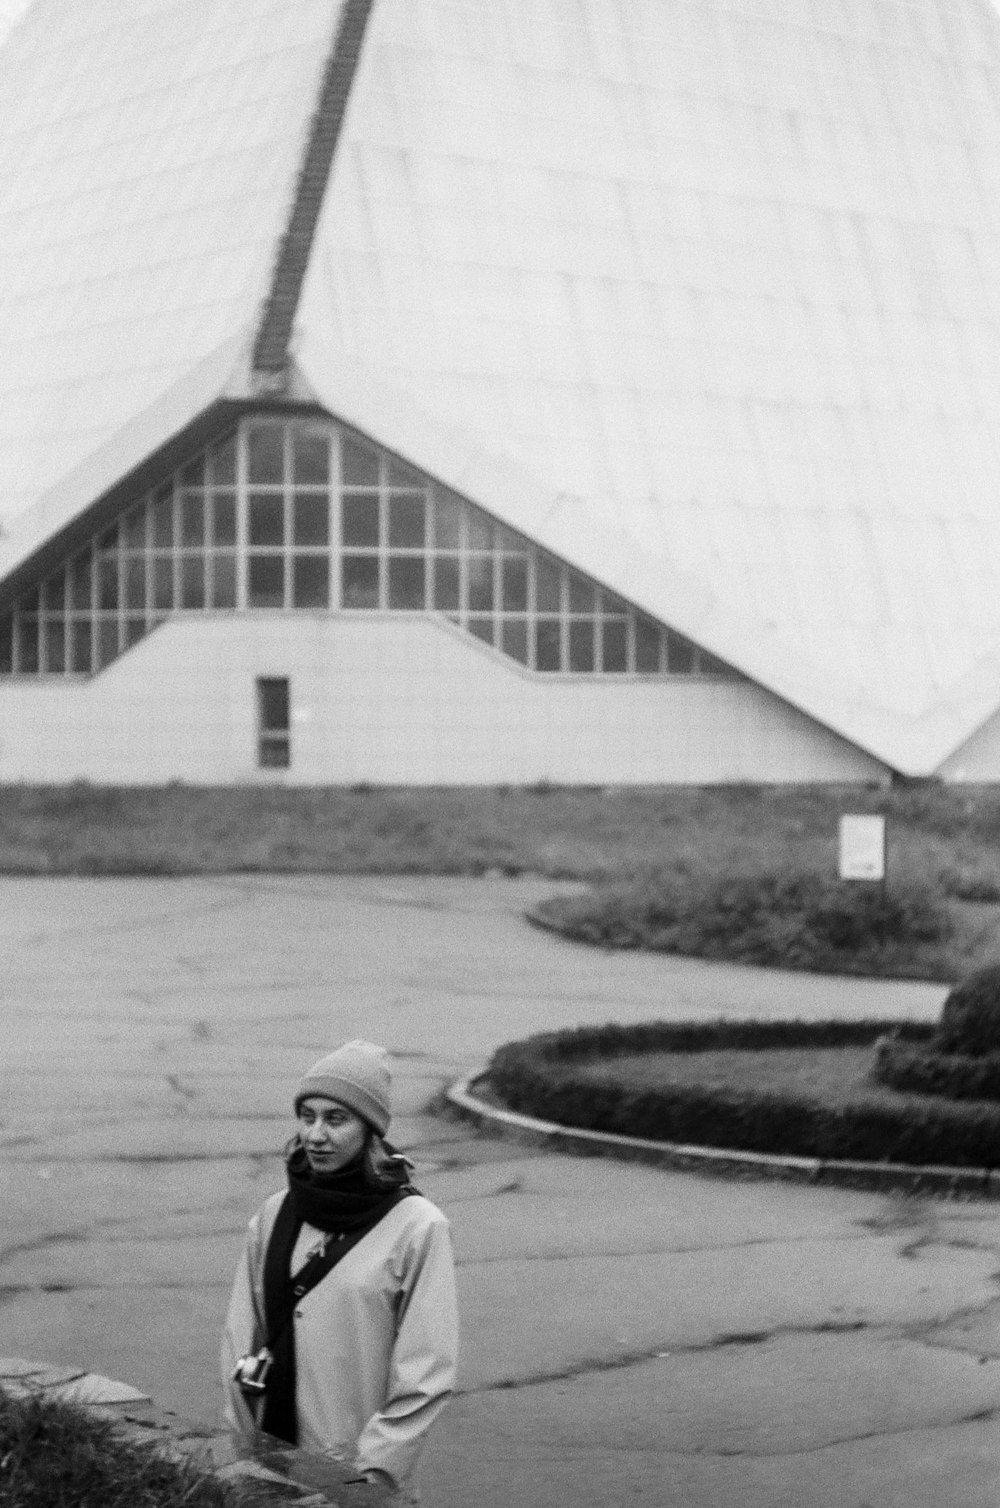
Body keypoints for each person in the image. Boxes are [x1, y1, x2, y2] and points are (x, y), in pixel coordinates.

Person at [221, 1039, 459, 1504]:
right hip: (269, 1461)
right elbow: (240, 1336)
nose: (315, 1135)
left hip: (354, 1479)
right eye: (307, 1117)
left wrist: (369, 1477)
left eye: (336, 1119)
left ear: (370, 1130)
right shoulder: (276, 1213)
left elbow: (426, 1371)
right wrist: (245, 1450)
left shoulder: (418, 1227)